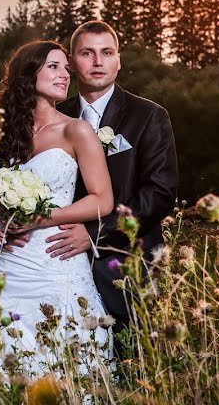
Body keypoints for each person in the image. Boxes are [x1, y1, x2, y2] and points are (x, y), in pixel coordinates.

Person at [0, 40, 115, 378]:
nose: (65, 74)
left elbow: (102, 199)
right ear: (28, 73)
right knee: (4, 358)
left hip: (57, 261)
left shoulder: (76, 130)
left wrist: (42, 218)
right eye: (54, 66)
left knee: (65, 357)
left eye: (65, 68)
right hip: (9, 264)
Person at [48, 20, 178, 354]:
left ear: (118, 61)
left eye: (107, 53)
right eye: (87, 53)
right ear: (71, 62)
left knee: (130, 363)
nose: (97, 62)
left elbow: (160, 193)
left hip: (127, 264)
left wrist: (93, 232)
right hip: (60, 264)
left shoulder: (149, 116)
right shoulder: (53, 117)